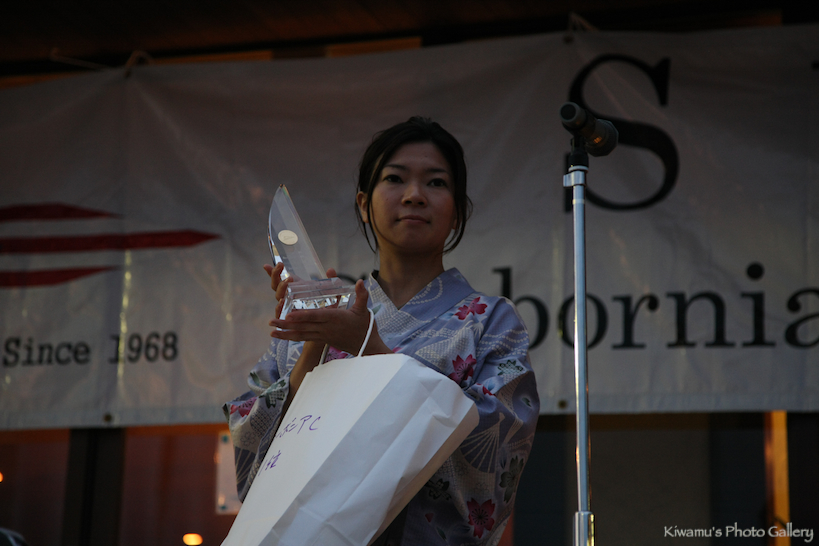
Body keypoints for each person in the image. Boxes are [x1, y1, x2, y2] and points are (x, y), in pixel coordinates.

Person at [225, 117, 539, 544]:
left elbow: (494, 454)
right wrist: (316, 340)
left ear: (457, 211)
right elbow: (256, 464)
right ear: (363, 204)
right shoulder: (325, 315)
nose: (414, 195)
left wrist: (369, 348)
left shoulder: (491, 321)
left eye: (436, 183)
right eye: (394, 179)